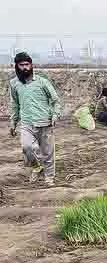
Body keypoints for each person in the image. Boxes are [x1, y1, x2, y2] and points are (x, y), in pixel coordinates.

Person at [9, 52, 61, 186]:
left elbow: (55, 100)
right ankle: (37, 166)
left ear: (32, 65)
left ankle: (49, 178)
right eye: (22, 65)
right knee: (27, 147)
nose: (25, 67)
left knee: (48, 152)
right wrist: (13, 123)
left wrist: (55, 115)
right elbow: (15, 104)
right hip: (27, 123)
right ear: (16, 66)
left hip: (45, 121)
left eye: (27, 64)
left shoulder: (42, 82)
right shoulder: (14, 84)